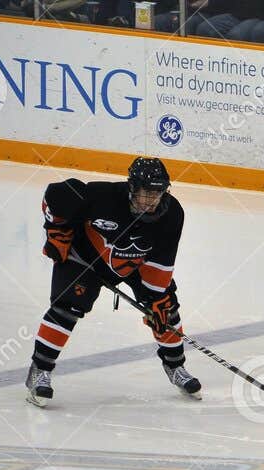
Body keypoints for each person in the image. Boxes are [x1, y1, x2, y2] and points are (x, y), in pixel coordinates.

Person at [28, 157, 200, 407]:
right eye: (145, 193)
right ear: (132, 188)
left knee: (166, 308)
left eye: (157, 193)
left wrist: (155, 297)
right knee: (67, 309)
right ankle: (40, 370)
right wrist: (56, 230)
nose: (151, 200)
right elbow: (55, 195)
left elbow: (162, 259)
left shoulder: (172, 213)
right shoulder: (103, 196)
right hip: (84, 258)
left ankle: (176, 368)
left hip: (134, 263)